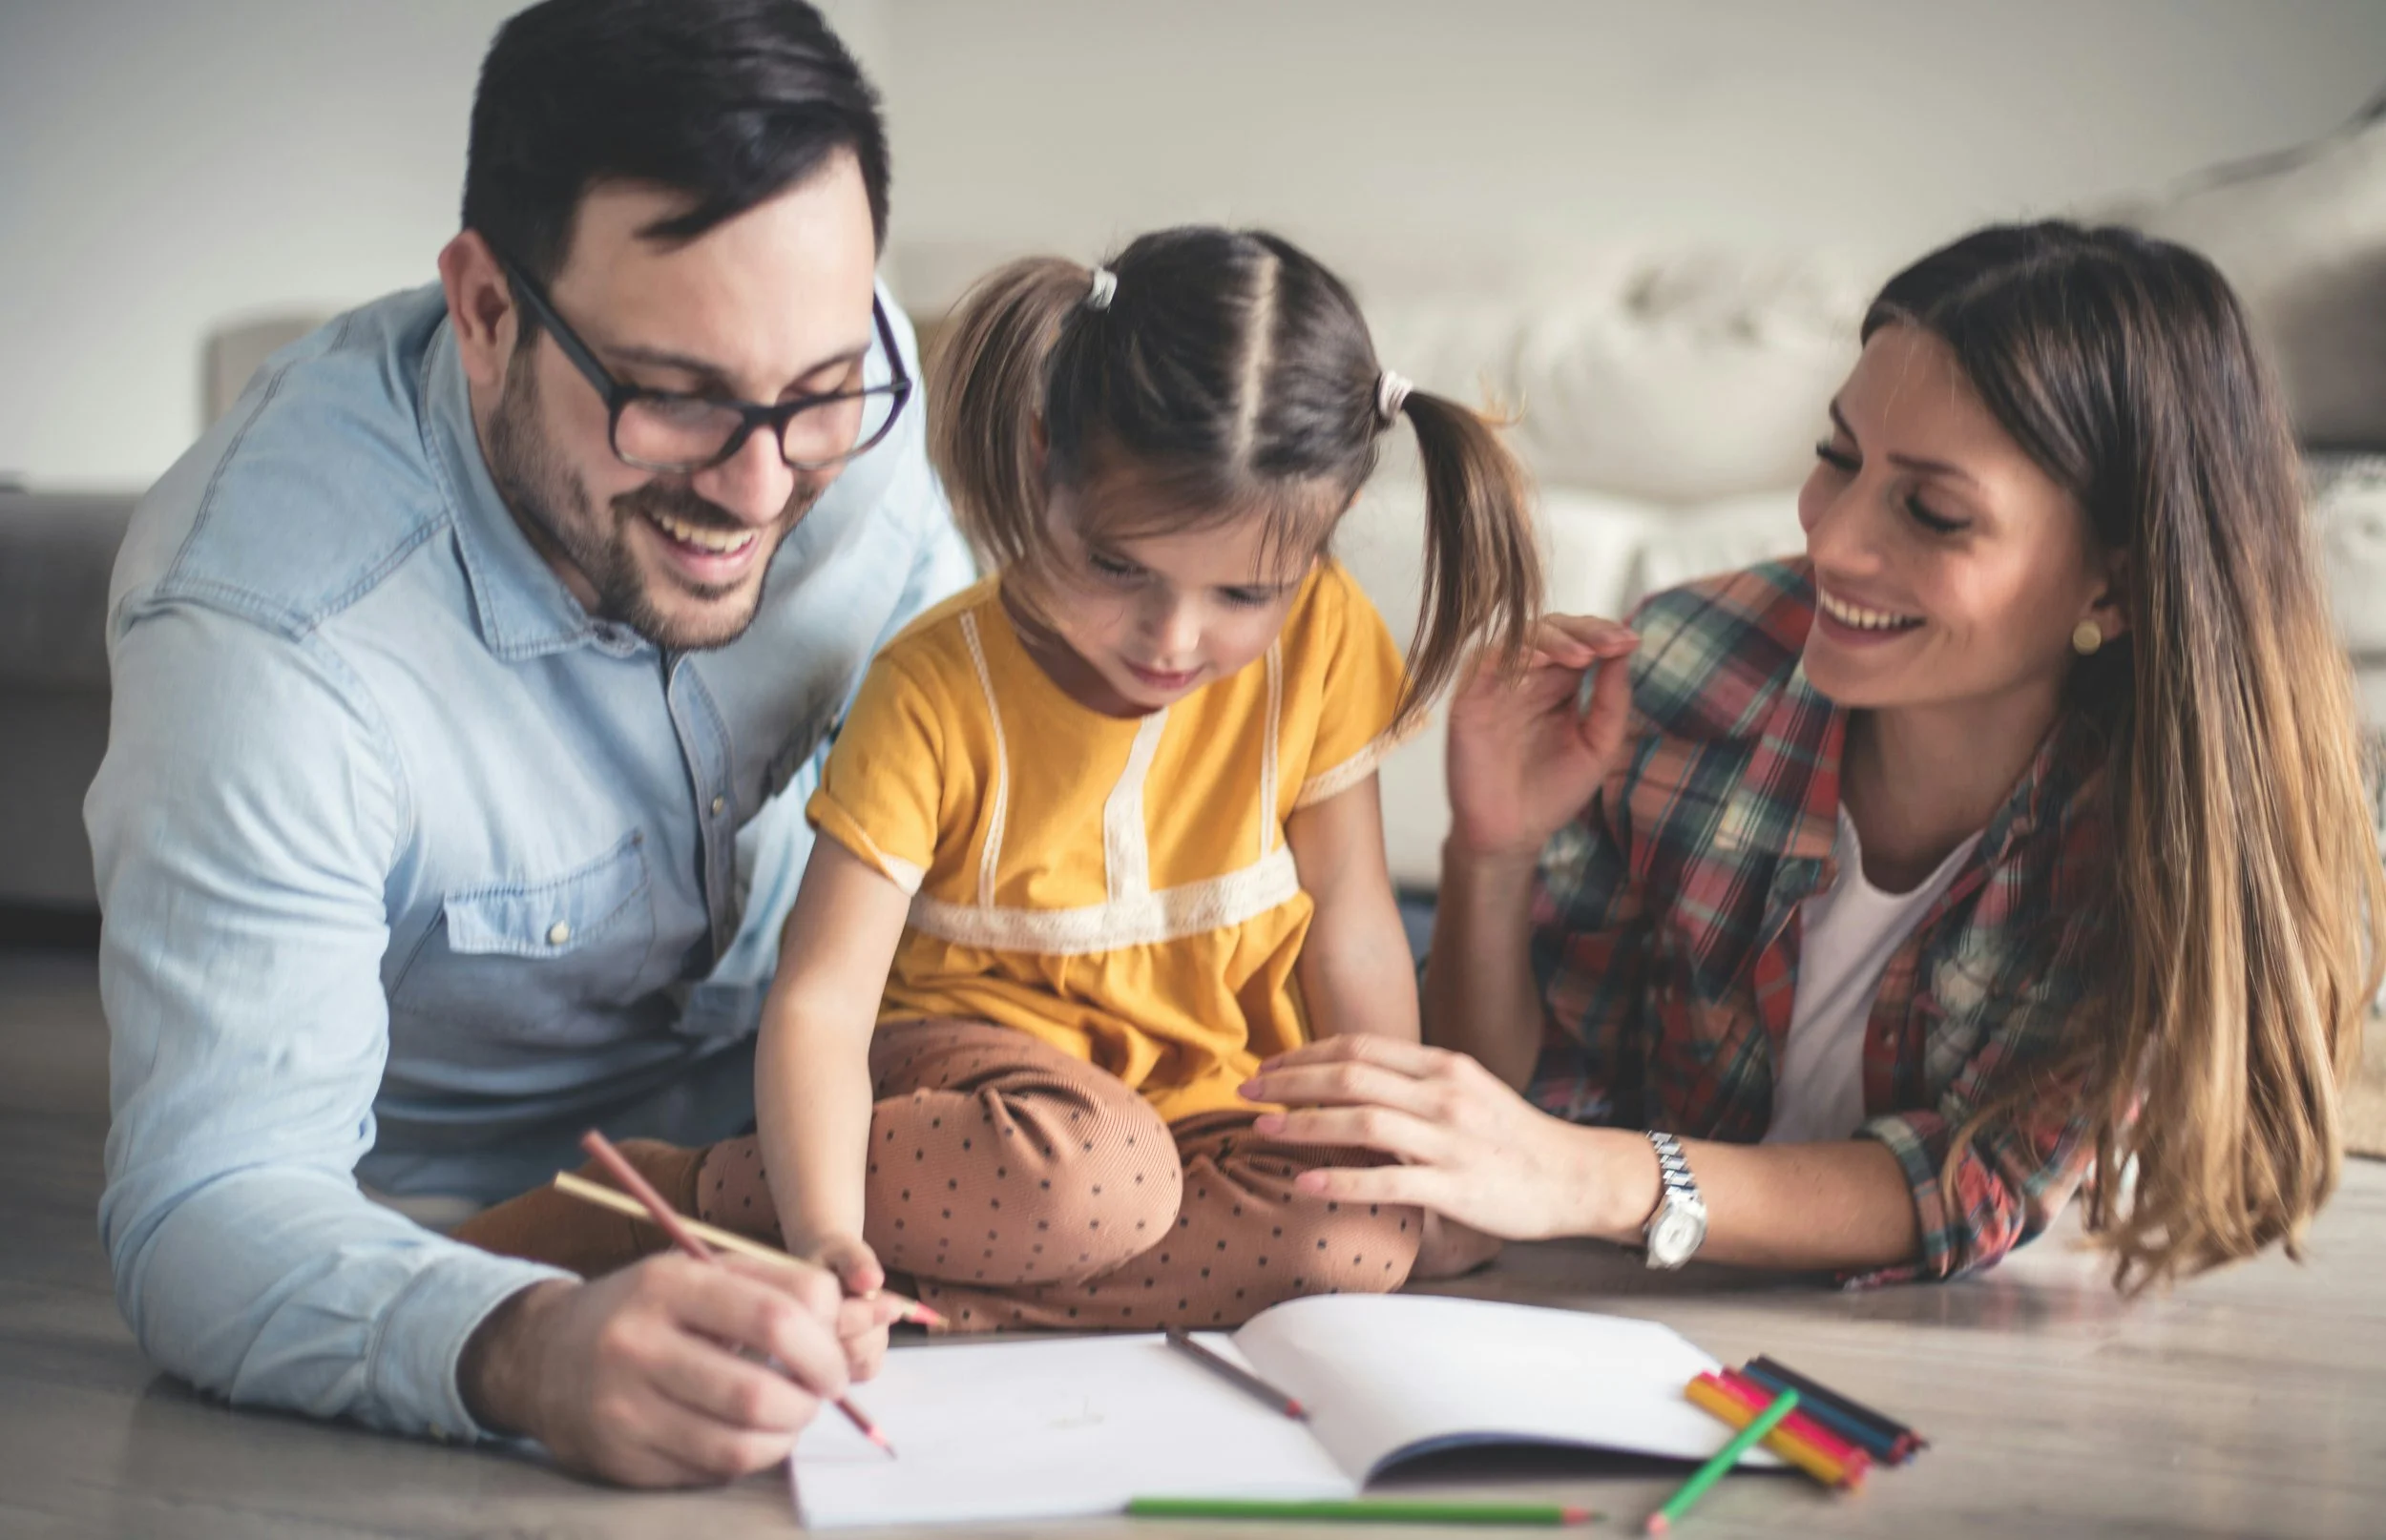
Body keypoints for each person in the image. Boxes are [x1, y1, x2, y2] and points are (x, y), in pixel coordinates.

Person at [85, 0, 973, 1488]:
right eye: (674, 398)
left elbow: (988, 799)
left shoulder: (851, 390)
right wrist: (530, 1344)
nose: (761, 486)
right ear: (488, 310)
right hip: (490, 1228)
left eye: (818, 395)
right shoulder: (269, 642)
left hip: (852, 1146)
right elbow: (209, 1203)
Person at [1240, 221, 2385, 1290]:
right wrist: (1491, 854)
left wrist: (1607, 1178)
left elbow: (1972, 1177)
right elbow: (1506, 1112)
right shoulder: (1687, 667)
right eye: (1838, 456)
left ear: (2113, 584)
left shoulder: (2170, 835)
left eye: (1932, 513)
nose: (1832, 539)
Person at [455, 227, 1543, 1330]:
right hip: (990, 1108)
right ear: (1039, 460)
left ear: (1324, 536)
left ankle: (932, 1293)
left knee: (1373, 1230)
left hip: (1205, 1109)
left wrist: (1395, 1139)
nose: (1171, 639)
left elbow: (1350, 922)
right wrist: (826, 1234)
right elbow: (822, 1000)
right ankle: (682, 1198)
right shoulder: (934, 690)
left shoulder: (1325, 635)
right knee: (1097, 1182)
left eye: (1242, 595)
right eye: (1116, 566)